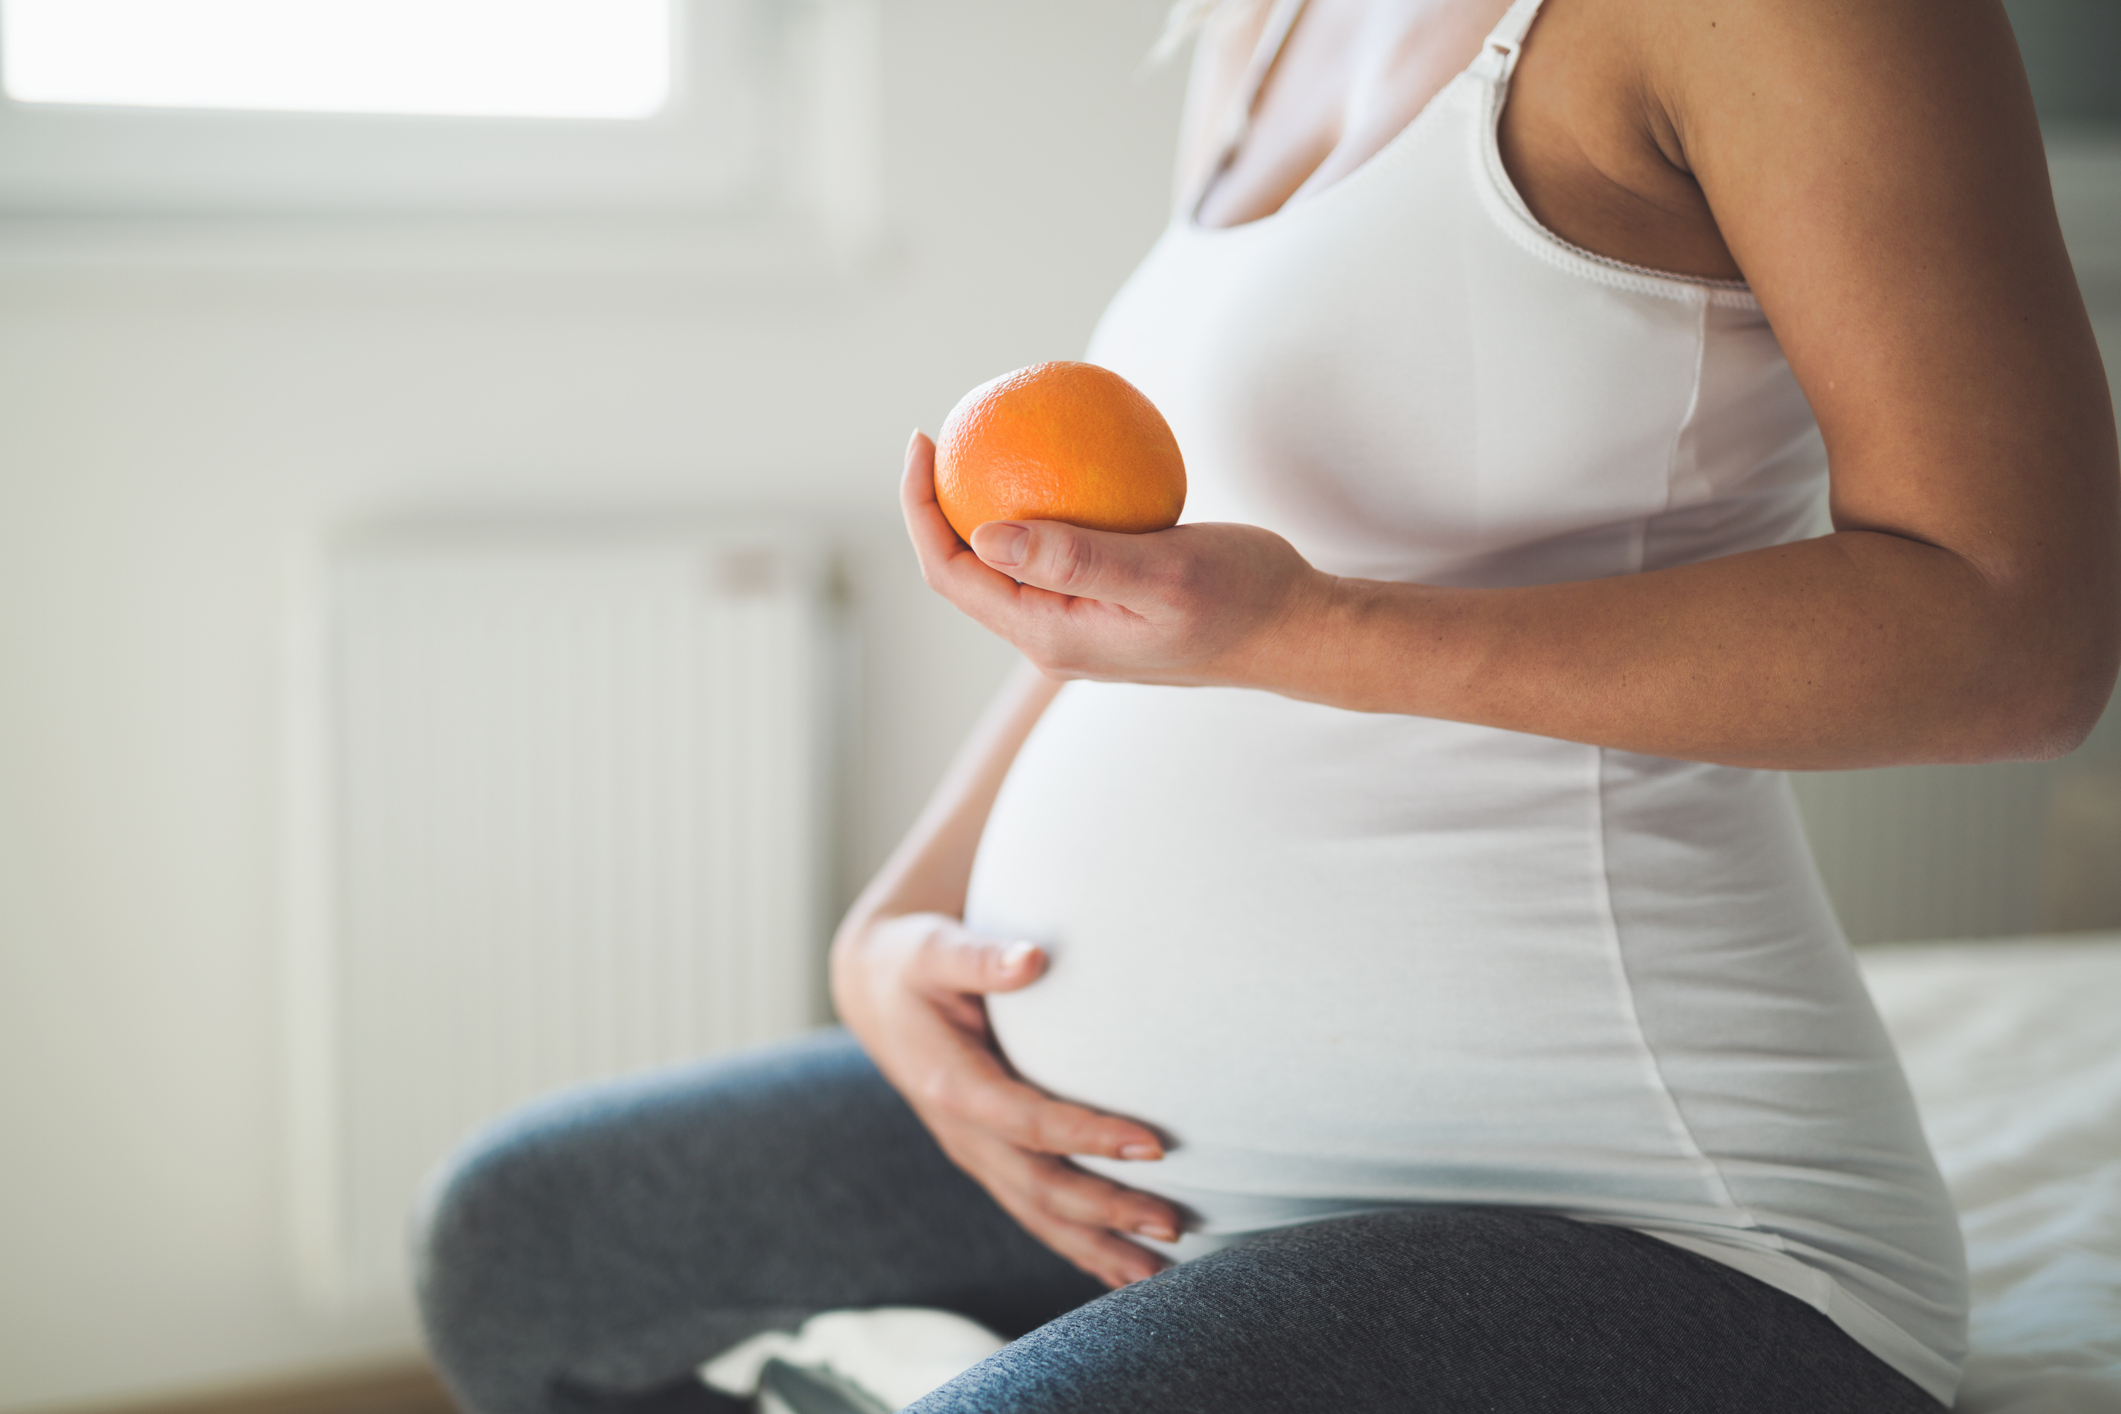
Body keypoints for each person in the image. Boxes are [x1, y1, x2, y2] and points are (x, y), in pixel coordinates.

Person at [415, 0, 2120, 1409]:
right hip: (1150, 1175)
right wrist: (897, 918)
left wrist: (1306, 628)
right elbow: (1136, 607)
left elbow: (2016, 637)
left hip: (1643, 1227)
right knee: (531, 1240)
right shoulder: (1261, 21)